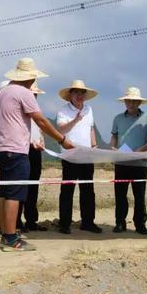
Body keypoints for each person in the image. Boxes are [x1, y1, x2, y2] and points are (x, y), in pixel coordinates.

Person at [0, 58, 73, 251]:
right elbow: (41, 121)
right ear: (29, 77)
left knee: (4, 192)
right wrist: (62, 140)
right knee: (14, 194)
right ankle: (12, 239)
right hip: (16, 150)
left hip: (1, 148)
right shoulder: (24, 93)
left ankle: (5, 233)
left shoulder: (1, 93)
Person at [57, 80, 102, 234]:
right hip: (70, 155)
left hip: (87, 155)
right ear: (70, 94)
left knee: (88, 190)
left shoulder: (89, 109)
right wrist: (75, 120)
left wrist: (94, 145)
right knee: (67, 190)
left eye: (82, 92)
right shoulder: (63, 111)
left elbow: (91, 129)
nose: (79, 95)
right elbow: (61, 130)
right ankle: (64, 224)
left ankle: (88, 222)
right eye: (76, 92)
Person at [110, 87, 147, 235]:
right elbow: (114, 136)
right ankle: (120, 223)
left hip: (140, 163)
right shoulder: (118, 118)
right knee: (120, 194)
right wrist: (113, 148)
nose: (132, 103)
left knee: (139, 195)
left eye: (135, 101)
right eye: (129, 100)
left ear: (139, 102)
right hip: (121, 162)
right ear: (125, 101)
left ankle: (140, 224)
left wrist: (143, 149)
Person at [16, 81, 48, 232]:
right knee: (21, 186)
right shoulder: (20, 107)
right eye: (32, 93)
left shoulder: (37, 109)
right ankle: (16, 221)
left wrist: (42, 140)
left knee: (33, 186)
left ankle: (31, 220)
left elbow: (40, 128)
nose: (33, 96)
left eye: (35, 95)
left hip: (36, 150)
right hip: (24, 149)